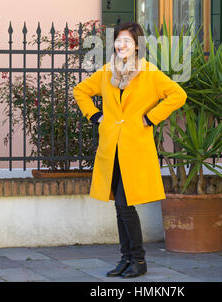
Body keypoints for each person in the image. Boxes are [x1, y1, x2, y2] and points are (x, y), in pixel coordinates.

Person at [73, 22, 187, 278]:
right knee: (119, 206)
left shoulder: (149, 73)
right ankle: (126, 259)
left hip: (135, 149)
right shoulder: (106, 72)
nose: (121, 45)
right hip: (110, 148)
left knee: (125, 205)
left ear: (138, 45)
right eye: (118, 40)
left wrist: (151, 118)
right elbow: (80, 91)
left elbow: (178, 94)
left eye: (127, 40)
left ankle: (139, 261)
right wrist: (95, 116)